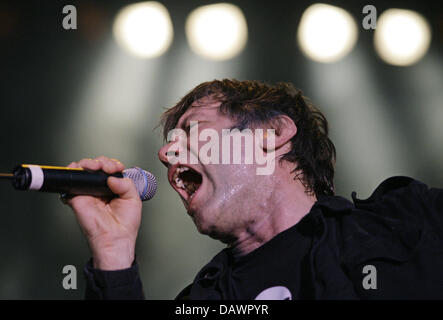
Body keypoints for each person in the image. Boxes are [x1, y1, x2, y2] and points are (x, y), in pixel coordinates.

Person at [65, 79, 443, 300]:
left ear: (273, 134)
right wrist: (112, 254)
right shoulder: (204, 300)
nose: (165, 154)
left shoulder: (413, 220)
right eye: (169, 142)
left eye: (192, 130)